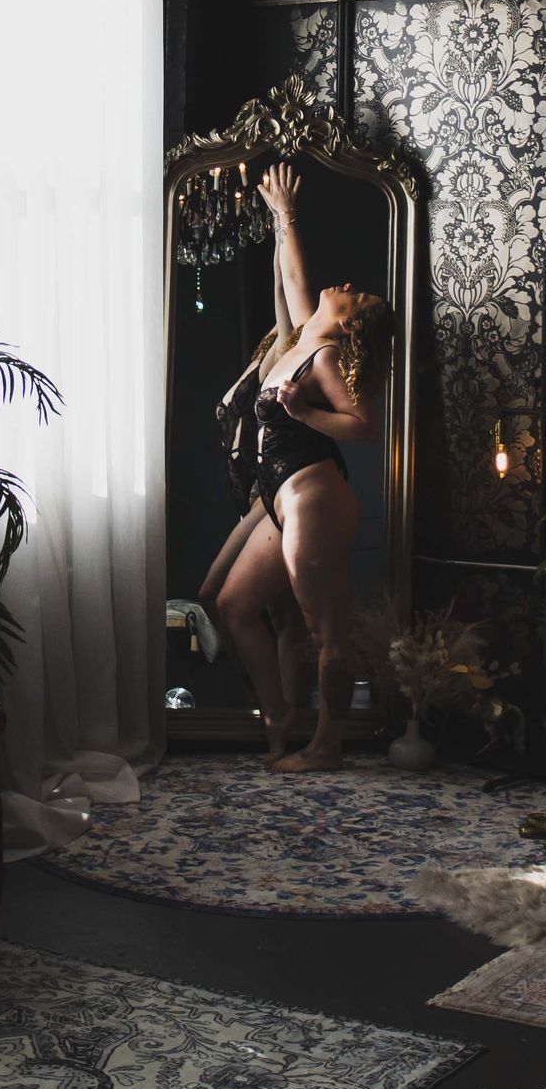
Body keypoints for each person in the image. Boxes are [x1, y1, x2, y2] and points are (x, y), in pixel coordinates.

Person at [210, 160, 391, 771]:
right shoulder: (301, 339)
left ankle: (326, 745)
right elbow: (294, 275)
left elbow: (365, 427)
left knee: (323, 630)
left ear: (348, 320)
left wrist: (306, 416)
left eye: (357, 295)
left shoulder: (330, 355)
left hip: (313, 496)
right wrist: (283, 213)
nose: (348, 284)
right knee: (234, 605)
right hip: (280, 497)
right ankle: (282, 714)